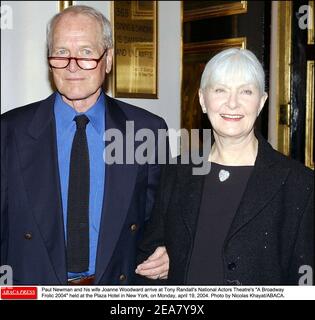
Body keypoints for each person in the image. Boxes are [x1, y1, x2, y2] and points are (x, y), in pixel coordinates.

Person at [1, 5, 168, 285]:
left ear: (109, 60)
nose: (72, 65)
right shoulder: (9, 131)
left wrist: (168, 249)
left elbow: (162, 218)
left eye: (87, 53)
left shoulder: (146, 130)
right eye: (62, 53)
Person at [136, 48, 314, 285]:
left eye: (246, 91)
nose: (232, 103)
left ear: (261, 102)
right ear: (202, 99)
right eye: (220, 90)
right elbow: (151, 250)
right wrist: (167, 258)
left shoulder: (299, 184)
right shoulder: (178, 171)